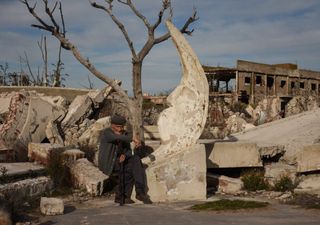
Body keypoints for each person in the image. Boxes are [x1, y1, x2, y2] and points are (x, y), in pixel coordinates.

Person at [98, 114, 152, 204]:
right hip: (109, 163)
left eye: (121, 127)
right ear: (112, 125)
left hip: (122, 160)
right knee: (126, 170)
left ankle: (140, 192)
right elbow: (116, 137)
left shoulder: (125, 134)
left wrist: (125, 156)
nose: (120, 129)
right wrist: (132, 138)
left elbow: (127, 151)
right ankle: (122, 196)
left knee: (135, 161)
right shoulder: (107, 133)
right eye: (117, 127)